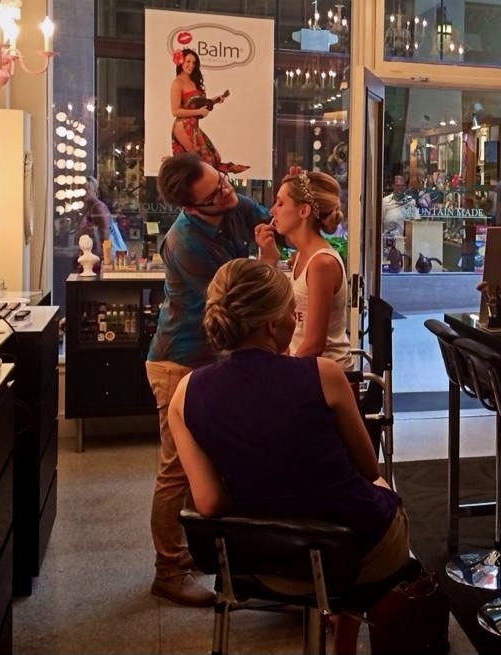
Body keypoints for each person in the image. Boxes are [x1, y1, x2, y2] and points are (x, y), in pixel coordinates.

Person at [167, 259, 411, 654]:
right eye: (291, 311)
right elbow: (368, 470)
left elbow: (208, 503)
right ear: (271, 324)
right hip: (355, 555)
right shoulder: (324, 375)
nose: (296, 318)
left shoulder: (185, 394)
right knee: (380, 489)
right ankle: (344, 636)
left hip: (264, 563)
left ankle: (335, 617)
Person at [144, 152, 269, 607]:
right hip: (177, 361)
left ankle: (198, 551)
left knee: (214, 459)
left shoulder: (229, 201)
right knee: (177, 468)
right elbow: (236, 297)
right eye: (214, 193)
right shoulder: (184, 243)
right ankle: (168, 570)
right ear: (192, 207)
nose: (226, 191)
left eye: (221, 180)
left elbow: (270, 219)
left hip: (213, 357)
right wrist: (268, 259)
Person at [255, 168, 353, 369]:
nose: (272, 211)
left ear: (304, 211)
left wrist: (281, 376)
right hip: (305, 368)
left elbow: (314, 344)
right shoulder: (301, 256)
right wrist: (268, 259)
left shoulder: (321, 264)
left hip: (326, 377)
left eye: (280, 203)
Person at [170, 48, 249, 175]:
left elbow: (197, 104)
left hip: (194, 126)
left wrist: (215, 100)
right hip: (183, 126)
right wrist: (198, 111)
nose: (191, 65)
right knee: (200, 163)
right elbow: (175, 111)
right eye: (188, 61)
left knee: (213, 157)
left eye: (194, 62)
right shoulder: (177, 82)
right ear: (181, 62)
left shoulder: (193, 81)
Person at [78, 176, 112, 250]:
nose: (82, 193)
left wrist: (104, 254)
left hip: (96, 253)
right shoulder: (88, 206)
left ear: (93, 190)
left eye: (86, 190)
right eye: (80, 190)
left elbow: (105, 235)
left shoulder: (98, 207)